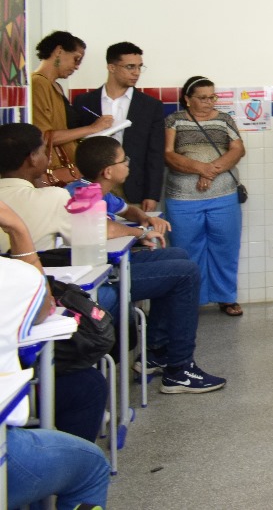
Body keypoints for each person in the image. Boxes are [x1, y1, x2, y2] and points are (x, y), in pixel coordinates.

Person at [0, 123, 225, 394]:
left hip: (40, 285)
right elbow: (97, 234)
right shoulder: (55, 195)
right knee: (185, 272)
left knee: (176, 256)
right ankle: (178, 369)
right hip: (71, 289)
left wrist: (138, 225)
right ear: (31, 159)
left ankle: (157, 352)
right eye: (42, 152)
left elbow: (115, 216)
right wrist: (141, 230)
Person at [1, 250, 112, 510]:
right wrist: (17, 228)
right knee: (92, 467)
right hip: (6, 448)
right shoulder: (13, 276)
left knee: (86, 385)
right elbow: (45, 304)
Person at [164, 76, 246, 316]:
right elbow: (168, 155)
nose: (209, 102)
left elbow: (238, 149)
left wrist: (210, 172)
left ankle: (226, 298)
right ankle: (190, 299)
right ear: (187, 100)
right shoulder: (174, 120)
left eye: (212, 97)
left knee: (226, 248)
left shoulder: (224, 119)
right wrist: (201, 168)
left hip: (223, 196)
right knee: (187, 250)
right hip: (182, 198)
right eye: (202, 98)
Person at [71, 41, 167, 211]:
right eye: (130, 67)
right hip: (93, 184)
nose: (136, 72)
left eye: (139, 67)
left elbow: (155, 154)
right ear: (111, 67)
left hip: (133, 186)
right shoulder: (84, 102)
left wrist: (152, 194)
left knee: (136, 233)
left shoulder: (151, 106)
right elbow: (75, 144)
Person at [30, 31, 115, 176]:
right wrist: (92, 128)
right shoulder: (38, 83)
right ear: (59, 51)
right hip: (54, 168)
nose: (77, 67)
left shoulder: (55, 86)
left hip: (67, 164)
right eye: (76, 59)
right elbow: (44, 137)